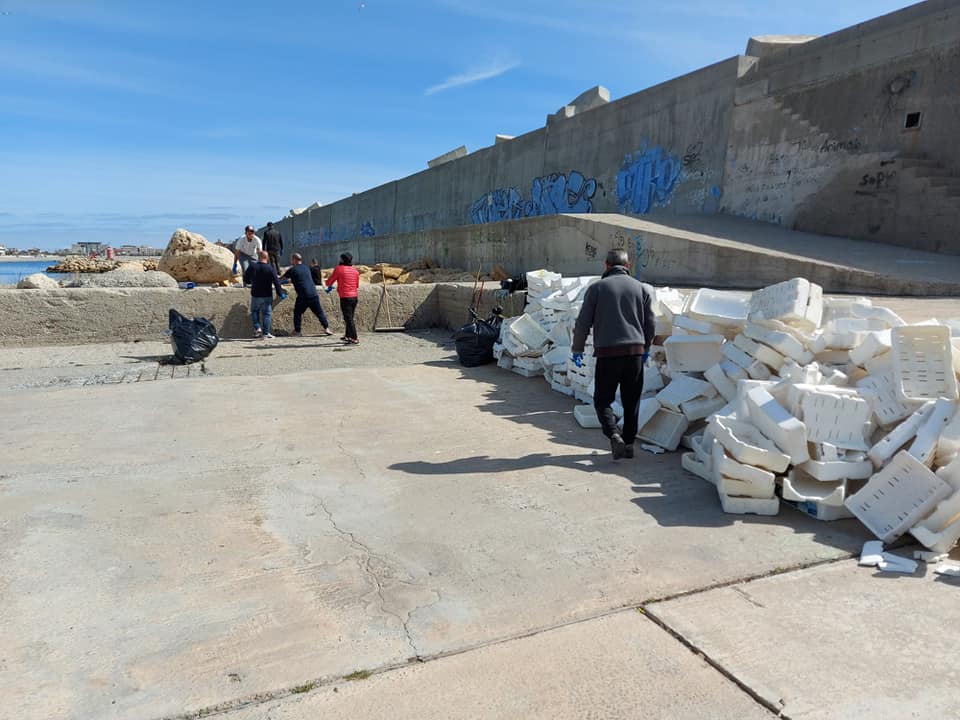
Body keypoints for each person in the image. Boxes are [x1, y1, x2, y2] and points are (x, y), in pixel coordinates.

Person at [571, 249, 656, 460]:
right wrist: (646, 348)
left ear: (607, 266)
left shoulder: (597, 288)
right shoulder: (641, 289)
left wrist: (577, 349)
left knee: (602, 400)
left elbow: (582, 323)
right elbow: (650, 323)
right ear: (628, 266)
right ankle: (629, 445)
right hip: (635, 353)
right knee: (631, 402)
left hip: (608, 353)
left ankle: (614, 435)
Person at [280, 253, 334, 337]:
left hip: (303, 295)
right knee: (319, 312)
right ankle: (327, 328)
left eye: (291, 259)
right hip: (313, 294)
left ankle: (297, 331)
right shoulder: (307, 268)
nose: (291, 261)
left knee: (297, 313)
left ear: (294, 260)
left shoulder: (292, 270)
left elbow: (281, 279)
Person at [244, 250, 286, 339]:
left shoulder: (252, 266)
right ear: (267, 258)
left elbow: (246, 278)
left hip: (256, 294)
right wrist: (280, 293)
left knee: (254, 311)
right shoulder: (270, 268)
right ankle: (266, 334)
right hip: (267, 295)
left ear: (259, 257)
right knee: (267, 314)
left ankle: (257, 328)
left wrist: (250, 281)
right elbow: (277, 282)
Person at [325, 252, 361, 345]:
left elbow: (329, 282)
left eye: (341, 259)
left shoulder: (339, 269)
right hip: (354, 297)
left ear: (343, 260)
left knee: (348, 318)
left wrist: (327, 283)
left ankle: (354, 338)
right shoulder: (355, 271)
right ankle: (348, 336)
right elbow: (357, 285)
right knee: (350, 317)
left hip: (345, 297)